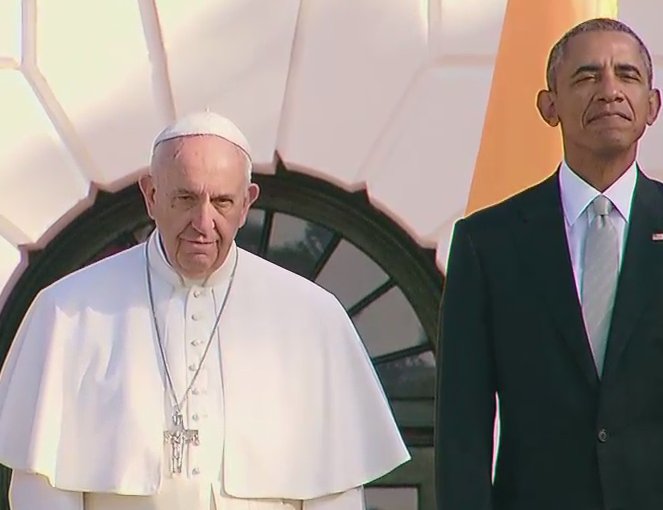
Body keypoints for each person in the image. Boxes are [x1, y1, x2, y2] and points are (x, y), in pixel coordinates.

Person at [435, 18, 663, 510]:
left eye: (628, 76)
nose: (609, 91)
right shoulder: (487, 244)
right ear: (549, 106)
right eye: (587, 76)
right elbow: (462, 431)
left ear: (652, 106)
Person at [0, 111, 410, 509]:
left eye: (223, 202)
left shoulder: (314, 318)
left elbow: (334, 493)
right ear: (151, 194)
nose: (204, 221)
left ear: (247, 202)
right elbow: (42, 489)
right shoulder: (68, 312)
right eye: (186, 198)